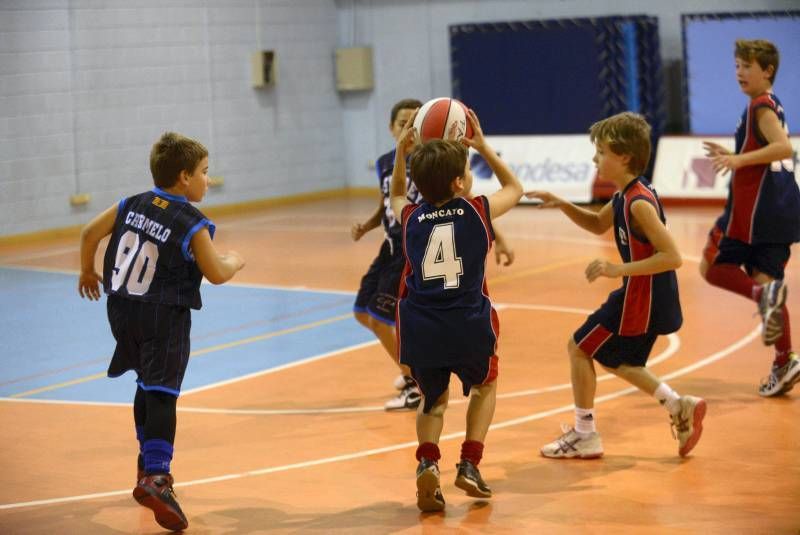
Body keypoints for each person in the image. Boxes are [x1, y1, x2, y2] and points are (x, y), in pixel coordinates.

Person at [78, 132, 245, 532]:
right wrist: (234, 259)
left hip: (121, 311)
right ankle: (157, 477)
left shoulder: (131, 203)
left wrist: (87, 269)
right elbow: (217, 274)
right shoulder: (191, 221)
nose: (209, 179)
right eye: (205, 172)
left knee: (145, 382)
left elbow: (88, 233)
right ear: (184, 177)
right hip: (162, 317)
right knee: (163, 391)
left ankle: (144, 463)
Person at [526, 112, 705, 460]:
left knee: (579, 347)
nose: (595, 159)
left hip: (643, 297)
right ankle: (678, 404)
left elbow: (673, 256)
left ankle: (585, 434)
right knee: (614, 358)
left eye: (601, 152)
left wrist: (616, 268)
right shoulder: (626, 194)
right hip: (650, 297)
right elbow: (596, 224)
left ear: (623, 157)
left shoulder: (638, 203)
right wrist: (563, 203)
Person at [390, 108, 522, 512]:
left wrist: (401, 154)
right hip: (468, 323)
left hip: (421, 326)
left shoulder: (411, 216)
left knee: (433, 399)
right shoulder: (476, 210)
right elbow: (515, 188)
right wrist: (483, 147)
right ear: (460, 181)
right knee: (485, 386)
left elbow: (397, 194)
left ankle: (428, 461)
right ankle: (469, 463)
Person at [352, 98, 515, 411]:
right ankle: (413, 372)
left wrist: (501, 238)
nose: (405, 129)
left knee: (379, 319)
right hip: (388, 244)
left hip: (410, 247)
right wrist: (369, 225)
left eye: (411, 123)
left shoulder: (433, 162)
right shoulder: (387, 162)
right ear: (392, 128)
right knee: (362, 311)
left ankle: (413, 380)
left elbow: (468, 202)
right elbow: (389, 201)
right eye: (401, 123)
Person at [700, 39, 800, 397]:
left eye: (747, 66)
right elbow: (771, 149)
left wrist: (738, 161)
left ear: (767, 70)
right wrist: (737, 153)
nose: (739, 72)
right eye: (737, 65)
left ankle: (762, 298)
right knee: (767, 283)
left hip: (754, 213)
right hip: (779, 212)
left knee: (712, 269)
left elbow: (784, 147)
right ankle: (784, 361)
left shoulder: (761, 105)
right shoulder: (768, 104)